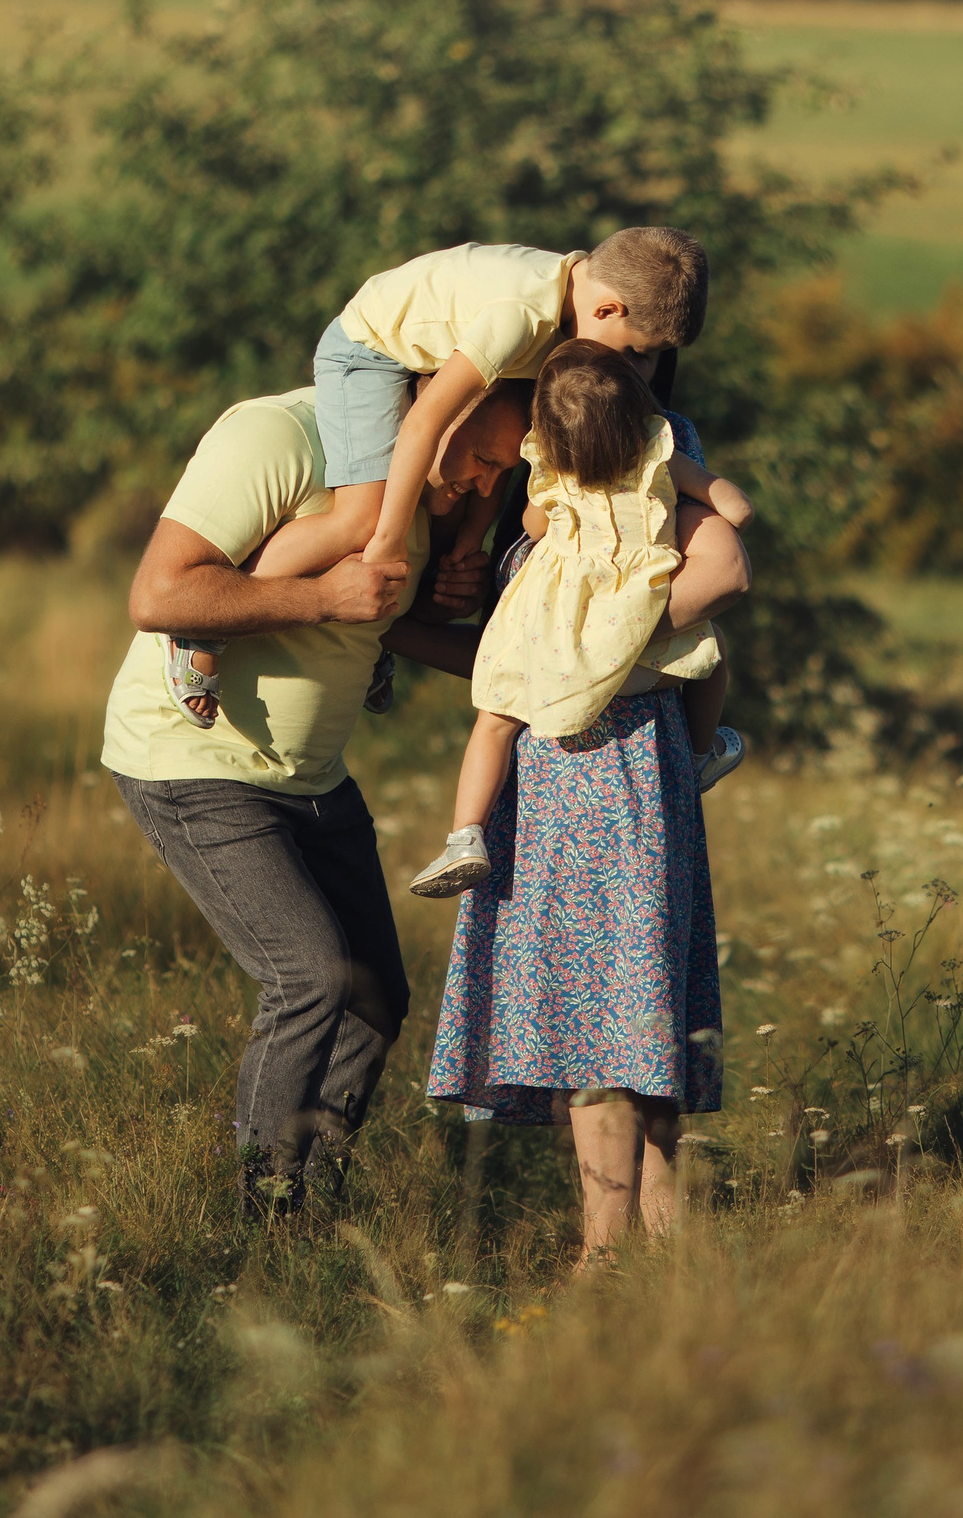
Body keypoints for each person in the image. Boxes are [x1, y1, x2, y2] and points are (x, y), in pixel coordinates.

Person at [102, 374, 522, 1218]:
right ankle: (261, 1215)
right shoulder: (281, 436)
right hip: (195, 760)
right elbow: (160, 596)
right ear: (439, 408)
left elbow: (374, 619)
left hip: (314, 778)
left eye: (500, 472)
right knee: (310, 978)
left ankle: (313, 1201)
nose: (483, 483)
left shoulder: (426, 495)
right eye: (480, 458)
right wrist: (324, 594)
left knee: (376, 1000)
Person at [423, 371, 749, 1270]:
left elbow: (726, 566)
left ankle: (607, 1258)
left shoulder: (654, 472)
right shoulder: (564, 496)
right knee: (623, 1013)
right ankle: (656, 1248)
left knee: (607, 1017)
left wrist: (601, 653)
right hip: (580, 774)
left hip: (605, 772)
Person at [166, 228, 710, 719]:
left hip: (421, 358)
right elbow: (426, 422)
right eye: (639, 352)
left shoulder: (576, 294)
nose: (637, 368)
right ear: (609, 309)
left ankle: (374, 637)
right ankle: (204, 629)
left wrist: (468, 545)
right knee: (360, 519)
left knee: (494, 460)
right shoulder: (519, 317)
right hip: (367, 352)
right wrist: (386, 540)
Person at [410, 339, 751, 901]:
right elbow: (737, 508)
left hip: (547, 633)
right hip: (629, 639)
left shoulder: (548, 466)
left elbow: (534, 527)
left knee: (494, 722)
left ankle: (464, 834)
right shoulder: (656, 454)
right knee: (708, 659)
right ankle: (700, 756)